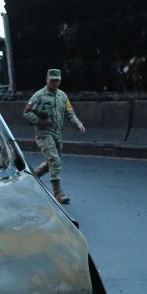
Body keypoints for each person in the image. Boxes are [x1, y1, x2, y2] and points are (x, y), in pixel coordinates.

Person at [23, 68, 86, 204]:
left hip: (58, 134)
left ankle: (31, 178)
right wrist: (41, 122)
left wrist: (78, 124)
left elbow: (70, 113)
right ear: (47, 80)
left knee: (51, 162)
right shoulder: (39, 96)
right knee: (55, 161)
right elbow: (27, 113)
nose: (55, 83)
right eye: (52, 80)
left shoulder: (62, 96)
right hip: (44, 134)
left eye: (57, 80)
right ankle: (58, 193)